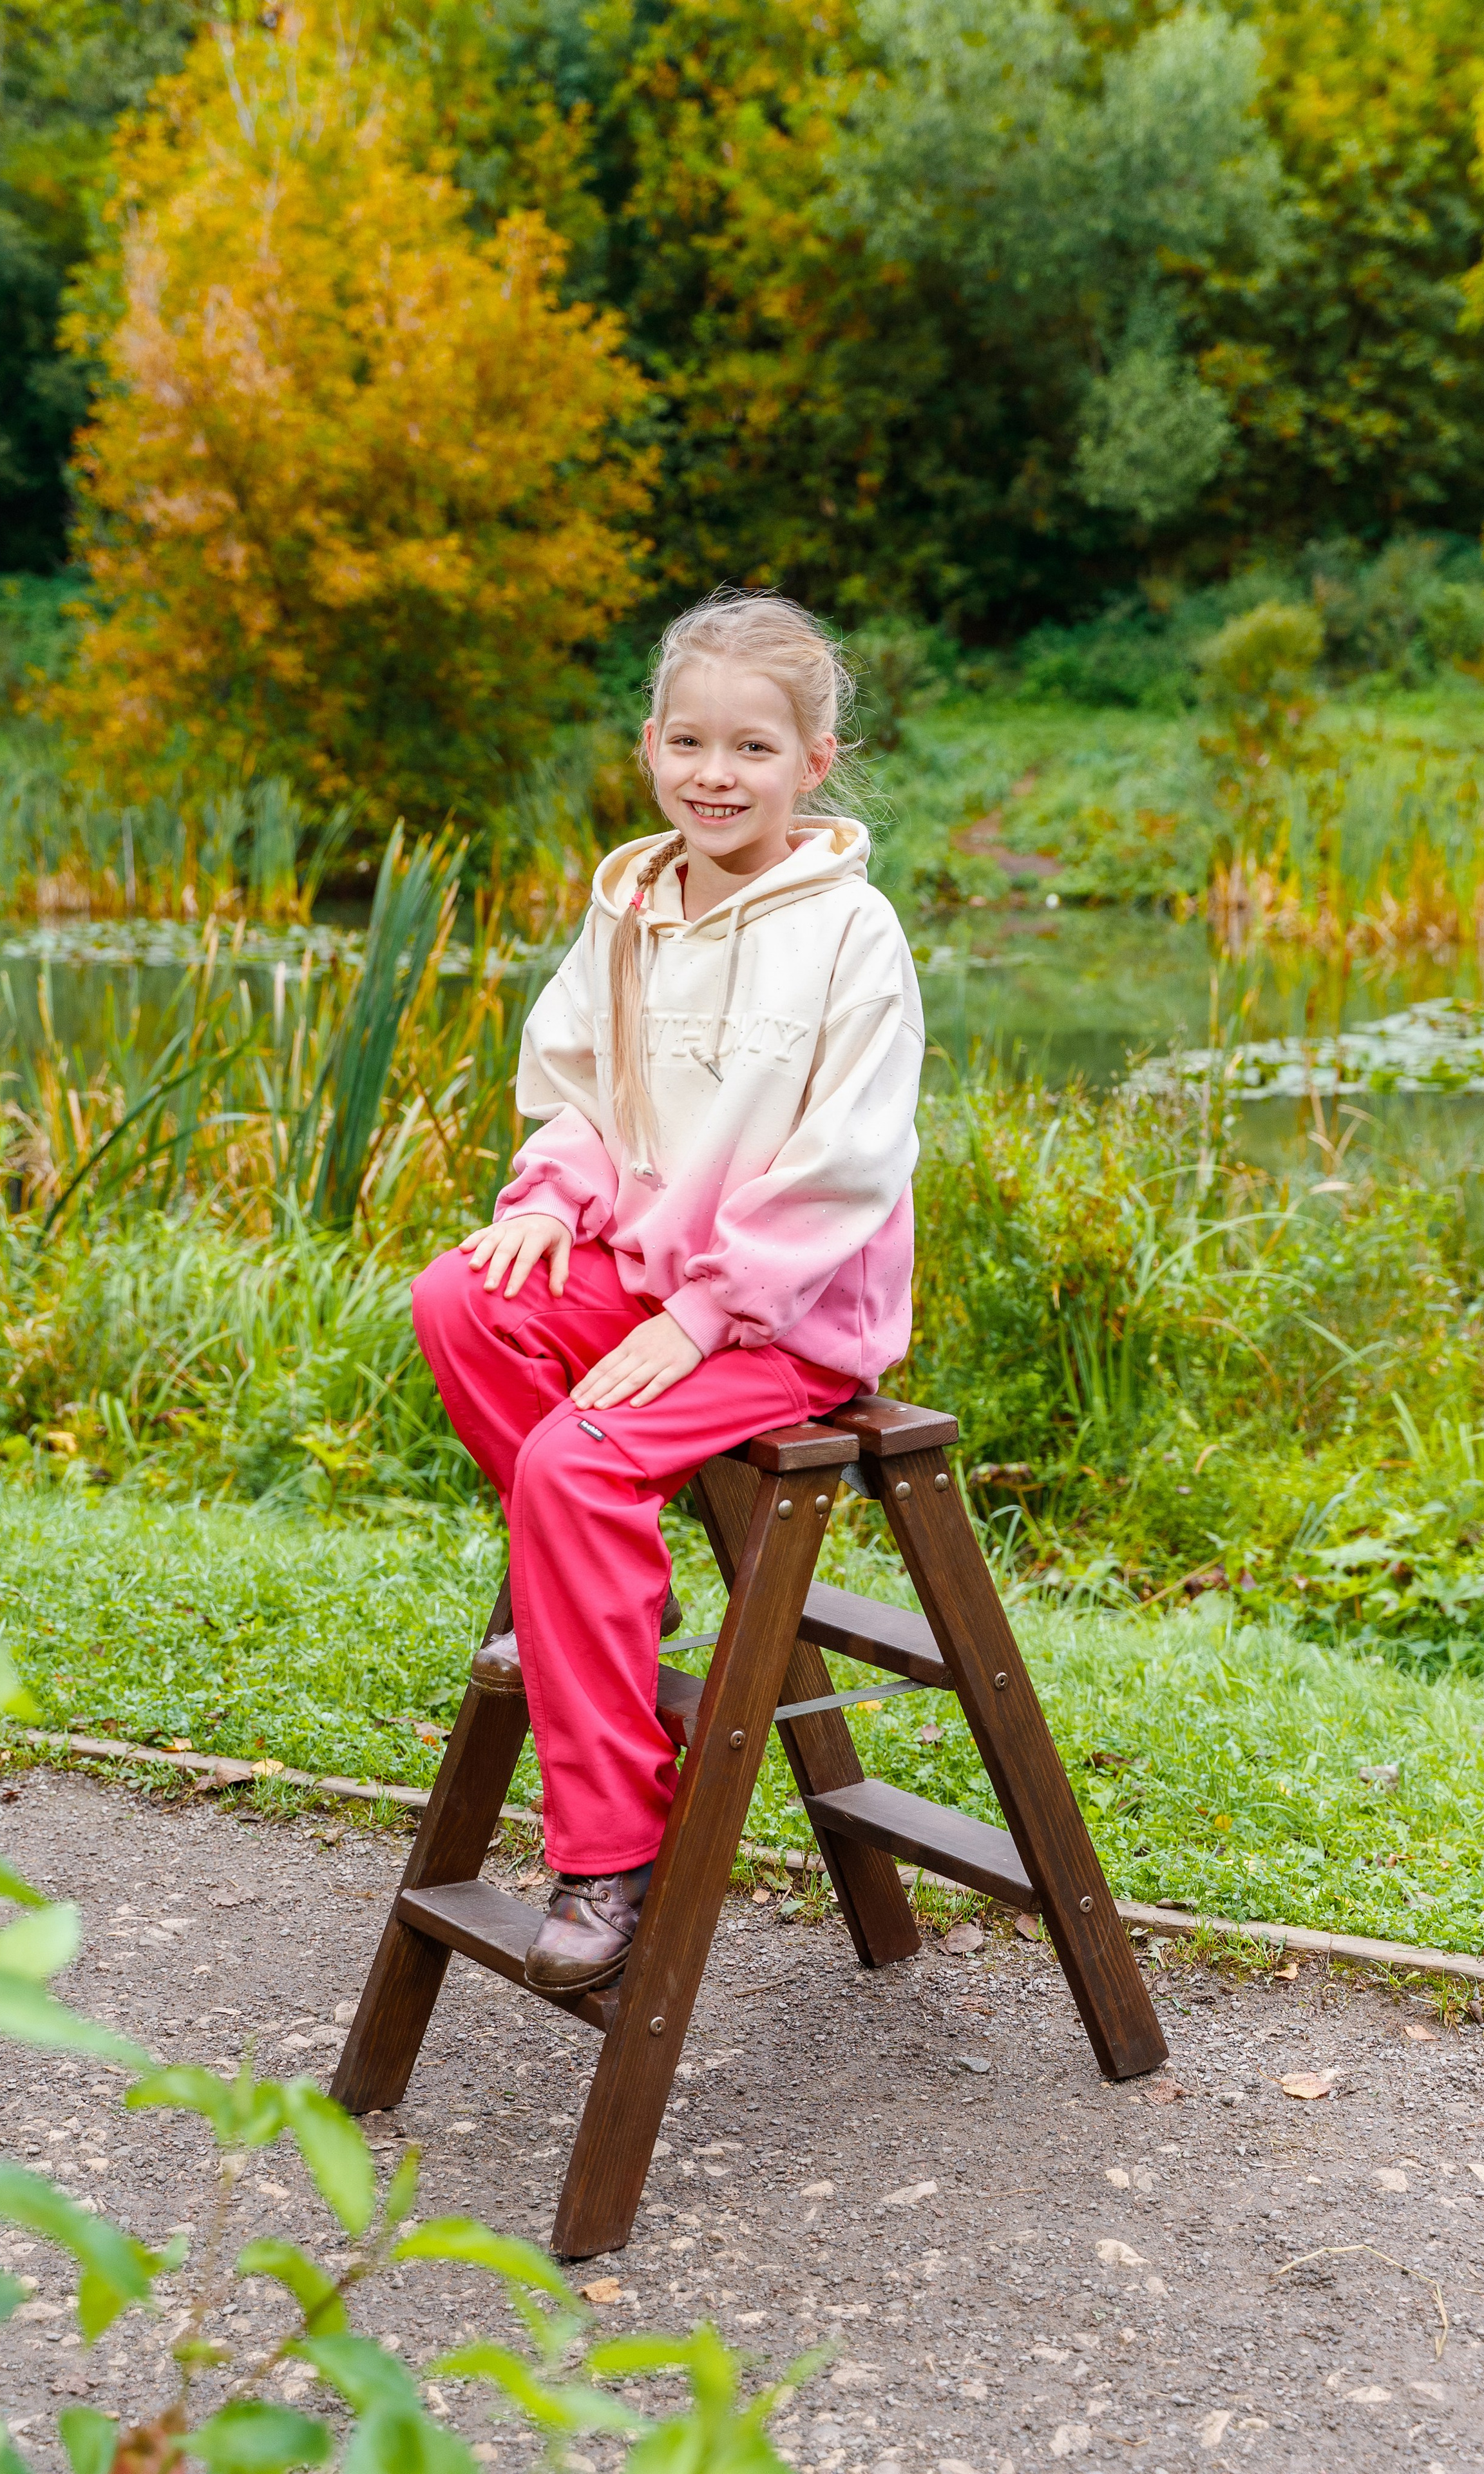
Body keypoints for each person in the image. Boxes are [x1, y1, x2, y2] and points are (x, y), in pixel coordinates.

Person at [410, 589, 924, 1995]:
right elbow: (583, 1092)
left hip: (785, 1316)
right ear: (648, 746)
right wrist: (545, 1200)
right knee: (461, 1299)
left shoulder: (850, 932)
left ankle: (608, 1853)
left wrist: (702, 1319)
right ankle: (600, 1615)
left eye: (753, 748)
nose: (715, 774)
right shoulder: (631, 906)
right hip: (648, 1273)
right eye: (689, 741)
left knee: (575, 1465)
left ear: (814, 762)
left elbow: (846, 1163)